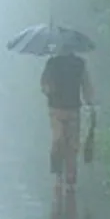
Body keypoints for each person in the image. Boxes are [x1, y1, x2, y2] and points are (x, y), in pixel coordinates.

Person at [40, 43, 95, 188]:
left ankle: (71, 178)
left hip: (73, 108)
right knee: (58, 140)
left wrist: (90, 101)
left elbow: (86, 83)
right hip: (56, 108)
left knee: (72, 145)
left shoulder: (79, 64)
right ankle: (58, 171)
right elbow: (44, 83)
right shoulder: (52, 63)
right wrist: (48, 89)